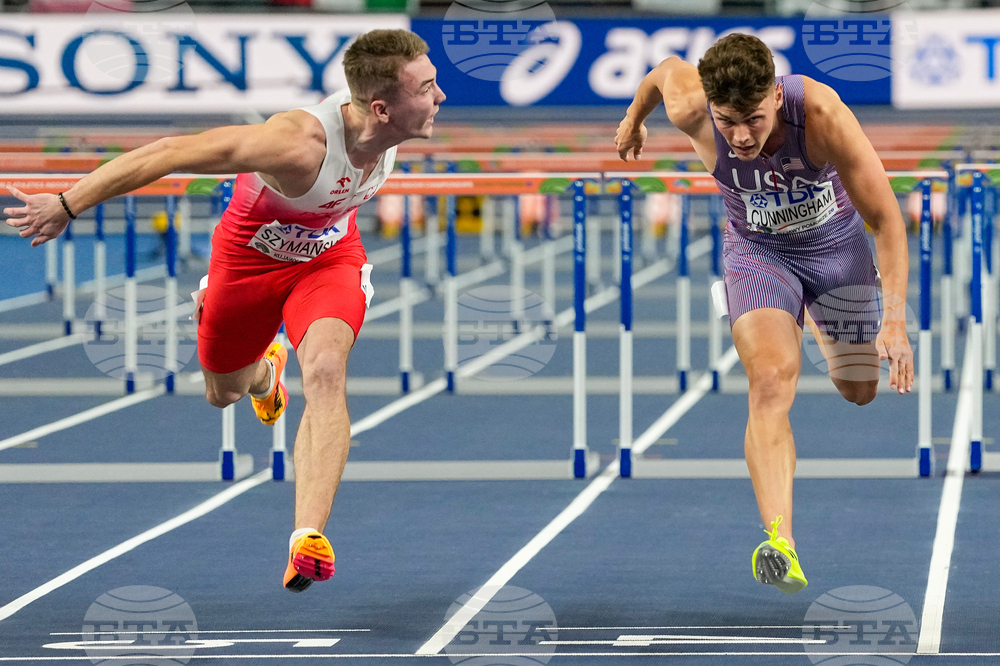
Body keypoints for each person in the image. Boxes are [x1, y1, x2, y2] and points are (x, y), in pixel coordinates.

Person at [4, 29, 446, 594]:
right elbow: (169, 153)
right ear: (381, 109)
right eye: (427, 88)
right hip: (247, 264)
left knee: (326, 369)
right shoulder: (296, 143)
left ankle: (307, 536)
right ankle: (264, 374)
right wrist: (68, 203)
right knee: (223, 392)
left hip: (329, 259)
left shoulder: (391, 123)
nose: (441, 96)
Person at [615, 33, 913, 593]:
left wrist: (893, 322)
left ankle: (817, 316)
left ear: (776, 95)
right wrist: (634, 118)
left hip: (835, 247)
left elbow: (887, 221)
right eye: (727, 122)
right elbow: (663, 71)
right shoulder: (690, 106)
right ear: (710, 106)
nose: (741, 136)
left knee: (859, 389)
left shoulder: (821, 113)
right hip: (757, 252)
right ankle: (782, 542)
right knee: (771, 379)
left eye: (753, 119)